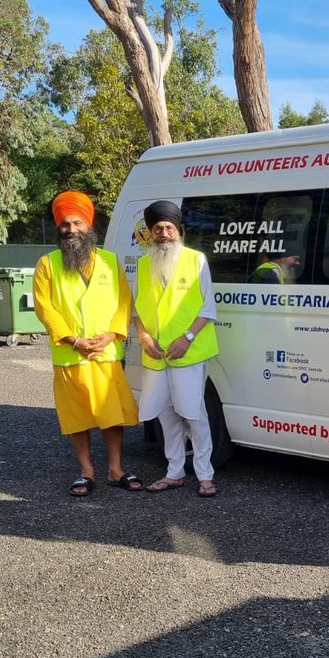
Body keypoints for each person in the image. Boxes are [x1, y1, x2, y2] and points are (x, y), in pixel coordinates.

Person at [33, 190, 143, 497]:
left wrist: (111, 334)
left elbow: (124, 300)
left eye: (77, 223)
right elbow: (44, 307)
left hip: (106, 353)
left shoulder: (110, 261)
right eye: (65, 224)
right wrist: (74, 339)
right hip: (70, 353)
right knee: (77, 416)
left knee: (112, 415)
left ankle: (115, 469)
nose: (71, 230)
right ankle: (86, 471)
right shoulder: (48, 264)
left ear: (89, 225)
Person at [133, 200, 221, 497]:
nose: (164, 233)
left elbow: (208, 308)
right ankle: (174, 472)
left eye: (169, 227)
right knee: (166, 414)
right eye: (158, 228)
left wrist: (187, 337)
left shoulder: (196, 260)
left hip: (189, 351)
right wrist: (144, 338)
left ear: (178, 230)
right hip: (156, 354)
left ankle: (205, 475)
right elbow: (137, 311)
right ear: (149, 232)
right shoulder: (144, 264)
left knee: (194, 414)